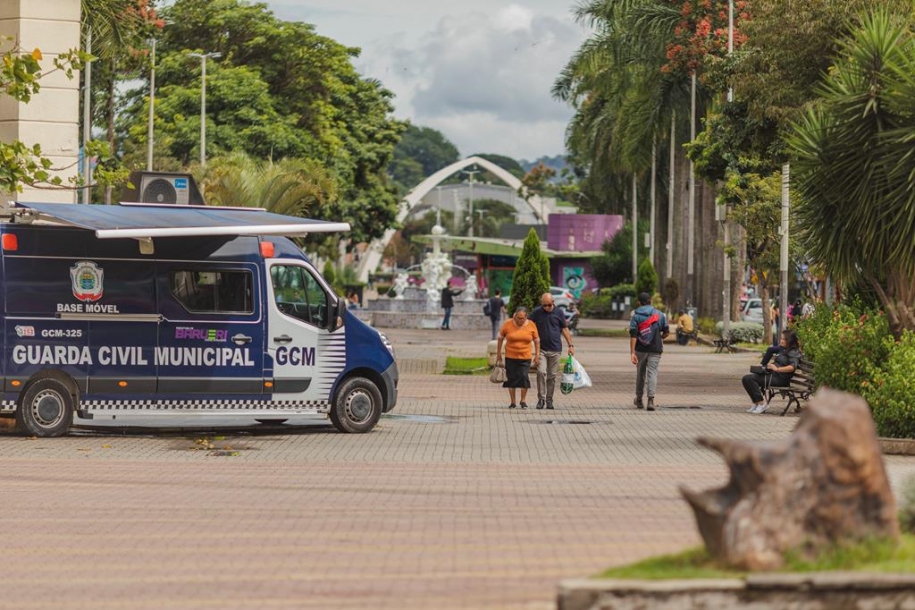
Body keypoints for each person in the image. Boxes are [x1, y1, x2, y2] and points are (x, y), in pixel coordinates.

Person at [529, 293, 575, 410]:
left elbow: (564, 329)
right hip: (542, 350)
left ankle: (549, 400)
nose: (547, 307)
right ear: (541, 304)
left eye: (549, 305)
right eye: (545, 305)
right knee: (540, 372)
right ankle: (541, 399)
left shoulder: (559, 312)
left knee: (552, 376)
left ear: (553, 302)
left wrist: (570, 345)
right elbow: (528, 325)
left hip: (555, 349)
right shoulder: (537, 312)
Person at [742, 329, 801, 414]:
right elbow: (772, 352)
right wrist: (765, 366)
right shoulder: (783, 349)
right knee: (746, 378)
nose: (781, 341)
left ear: (790, 341)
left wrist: (777, 369)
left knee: (750, 379)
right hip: (773, 375)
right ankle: (756, 403)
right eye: (781, 338)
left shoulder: (793, 352)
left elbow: (792, 367)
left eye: (784, 339)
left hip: (781, 379)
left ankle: (762, 403)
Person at [629, 292, 670, 411]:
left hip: (640, 349)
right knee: (652, 373)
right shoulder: (660, 314)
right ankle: (651, 400)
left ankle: (639, 399)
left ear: (638, 303)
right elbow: (666, 331)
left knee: (640, 374)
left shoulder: (635, 316)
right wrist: (660, 337)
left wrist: (632, 352)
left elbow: (633, 335)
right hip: (655, 349)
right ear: (650, 301)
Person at [496, 306, 540, 409]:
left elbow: (537, 340)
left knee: (524, 377)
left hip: (525, 356)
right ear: (515, 315)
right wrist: (499, 354)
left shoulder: (531, 325)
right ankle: (512, 402)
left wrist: (537, 355)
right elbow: (500, 338)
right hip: (510, 356)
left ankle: (523, 400)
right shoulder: (508, 323)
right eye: (518, 317)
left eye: (522, 318)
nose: (520, 320)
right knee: (511, 378)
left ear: (526, 316)